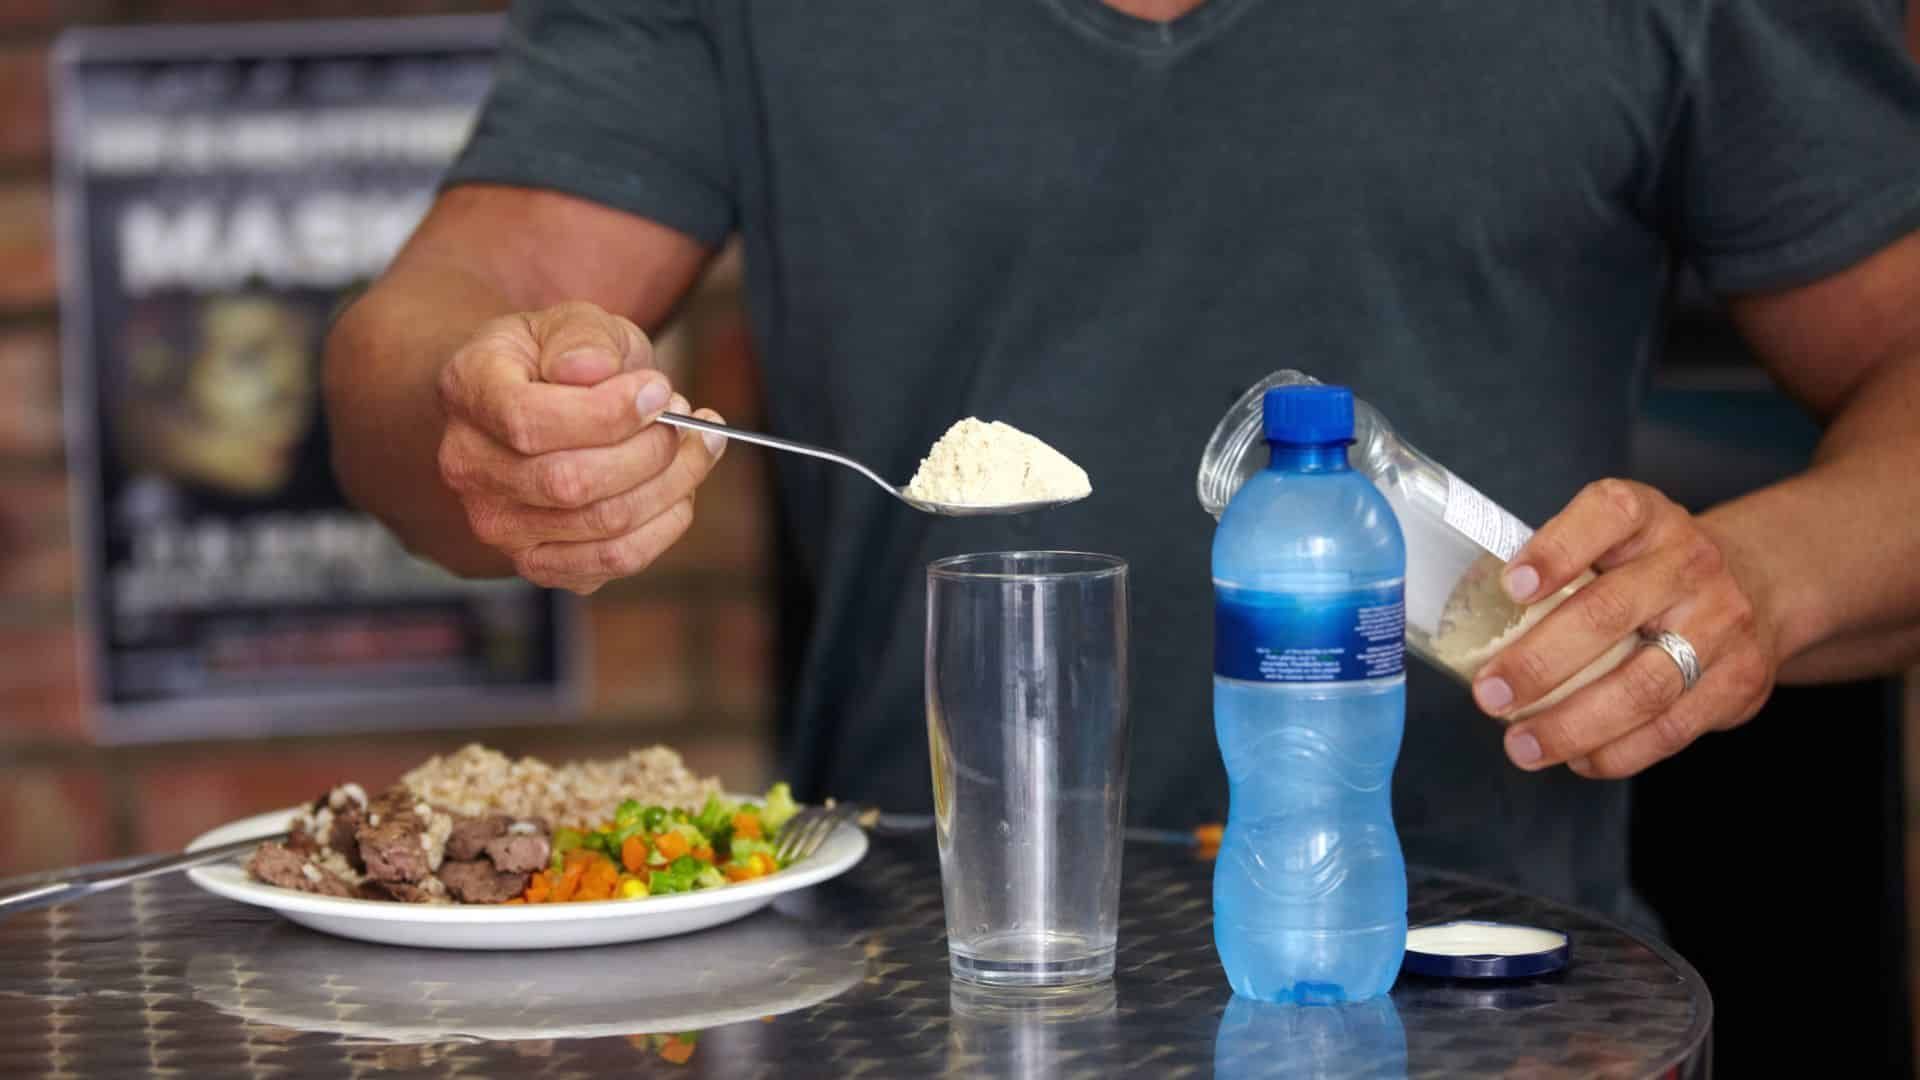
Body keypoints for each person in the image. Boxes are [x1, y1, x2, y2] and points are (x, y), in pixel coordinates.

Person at [324, 0, 1920, 928]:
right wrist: (495, 419)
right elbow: (434, 331)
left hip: (1475, 978)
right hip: (920, 986)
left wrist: (1760, 580)